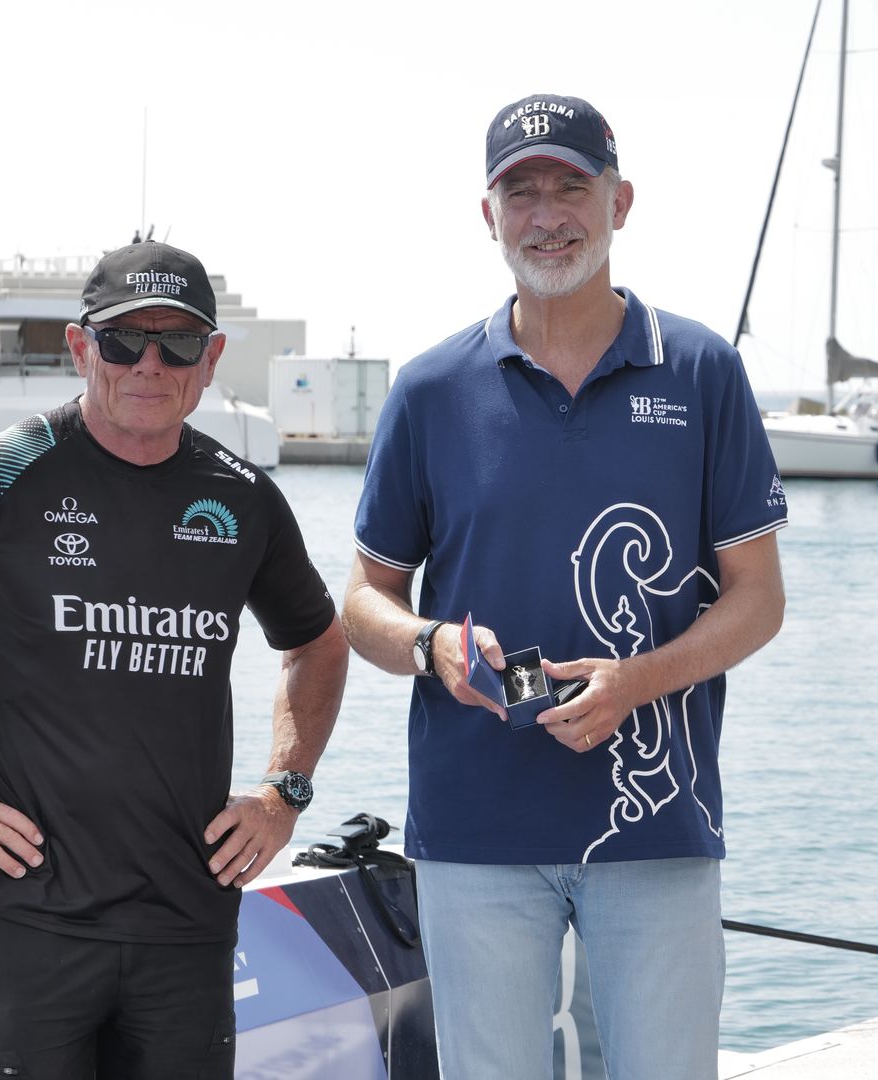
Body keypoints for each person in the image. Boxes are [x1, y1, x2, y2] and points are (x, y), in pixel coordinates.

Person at [0, 240, 348, 1078]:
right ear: (82, 348)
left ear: (212, 358)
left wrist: (284, 790)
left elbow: (318, 646)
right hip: (31, 927)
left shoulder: (244, 498)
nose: (150, 364)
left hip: (188, 927)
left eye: (177, 342)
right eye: (123, 341)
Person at [341, 93, 787, 1079]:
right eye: (522, 191)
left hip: (658, 821)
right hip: (473, 825)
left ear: (620, 201)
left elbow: (759, 597)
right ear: (488, 216)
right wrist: (430, 646)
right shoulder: (429, 389)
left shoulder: (704, 370)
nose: (548, 213)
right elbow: (363, 603)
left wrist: (642, 678)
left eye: (571, 187)